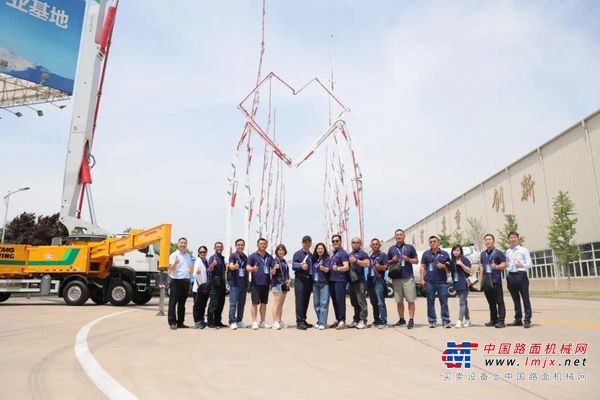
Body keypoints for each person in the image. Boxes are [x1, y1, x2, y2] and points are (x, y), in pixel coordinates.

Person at [387, 229, 419, 329]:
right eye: (397, 235)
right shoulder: (391, 249)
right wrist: (392, 260)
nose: (399, 236)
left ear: (404, 236)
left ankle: (411, 320)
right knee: (399, 301)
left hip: (408, 277)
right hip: (396, 278)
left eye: (401, 234)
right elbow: (387, 262)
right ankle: (401, 319)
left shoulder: (410, 248)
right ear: (395, 237)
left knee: (410, 300)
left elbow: (416, 261)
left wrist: (408, 259)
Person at [420, 235, 451, 328]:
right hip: (429, 282)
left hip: (442, 282)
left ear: (438, 242)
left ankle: (445, 320)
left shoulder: (444, 254)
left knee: (444, 301)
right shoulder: (426, 254)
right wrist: (422, 279)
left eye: (434, 241)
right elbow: (422, 267)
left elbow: (449, 268)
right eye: (431, 242)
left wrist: (443, 266)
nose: (433, 243)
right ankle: (432, 321)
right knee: (430, 301)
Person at [505, 231, 533, 328]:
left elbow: (530, 263)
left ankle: (527, 319)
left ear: (518, 238)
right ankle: (518, 319)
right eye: (511, 237)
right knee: (515, 299)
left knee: (525, 298)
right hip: (511, 275)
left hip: (521, 275)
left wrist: (522, 265)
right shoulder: (508, 251)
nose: (513, 239)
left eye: (514, 237)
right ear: (508, 239)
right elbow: (507, 263)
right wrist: (508, 269)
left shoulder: (523, 250)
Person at [479, 234, 507, 328]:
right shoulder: (483, 254)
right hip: (486, 281)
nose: (488, 241)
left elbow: (504, 264)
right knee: (491, 302)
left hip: (495, 281)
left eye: (489, 239)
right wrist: (481, 279)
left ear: (493, 241)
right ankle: (493, 320)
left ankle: (501, 321)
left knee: (499, 301)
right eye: (486, 240)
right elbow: (482, 266)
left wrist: (496, 266)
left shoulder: (498, 253)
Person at [247, 238, 273, 329]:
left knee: (264, 303)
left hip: (266, 283)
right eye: (261, 244)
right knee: (255, 303)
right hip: (255, 283)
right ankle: (254, 322)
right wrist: (252, 269)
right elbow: (247, 267)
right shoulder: (252, 256)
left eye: (264, 244)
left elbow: (273, 268)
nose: (263, 245)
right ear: (257, 245)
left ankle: (262, 321)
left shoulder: (269, 257)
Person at [168, 237, 193, 330]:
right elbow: (171, 269)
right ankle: (172, 322)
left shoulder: (188, 256)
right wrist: (175, 263)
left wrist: (190, 282)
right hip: (176, 281)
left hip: (186, 281)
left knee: (182, 304)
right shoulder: (173, 255)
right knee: (173, 303)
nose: (183, 245)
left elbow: (189, 270)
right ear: (178, 244)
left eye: (185, 243)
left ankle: (180, 322)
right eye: (181, 243)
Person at [329, 234, 350, 330]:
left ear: (340, 242)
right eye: (333, 241)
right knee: (335, 301)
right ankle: (338, 319)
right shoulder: (334, 253)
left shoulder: (342, 253)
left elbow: (346, 267)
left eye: (337, 241)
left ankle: (342, 321)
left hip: (340, 281)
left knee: (340, 301)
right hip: (332, 281)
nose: (335, 243)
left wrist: (337, 268)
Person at [292, 235, 314, 330]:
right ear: (302, 243)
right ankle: (299, 322)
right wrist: (301, 266)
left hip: (309, 280)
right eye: (305, 242)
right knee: (300, 301)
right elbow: (293, 266)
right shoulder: (297, 254)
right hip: (300, 279)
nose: (307, 244)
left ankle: (303, 319)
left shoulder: (311, 255)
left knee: (306, 300)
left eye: (309, 242)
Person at [348, 237, 369, 329]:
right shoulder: (349, 254)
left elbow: (367, 264)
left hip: (360, 281)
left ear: (360, 244)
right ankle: (356, 319)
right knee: (354, 302)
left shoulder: (363, 254)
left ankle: (363, 320)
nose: (355, 244)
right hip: (351, 281)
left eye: (357, 242)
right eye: (353, 242)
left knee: (361, 301)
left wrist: (356, 261)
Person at [367, 238, 389, 329]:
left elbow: (386, 267)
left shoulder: (383, 255)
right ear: (371, 246)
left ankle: (383, 319)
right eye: (373, 244)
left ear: (379, 245)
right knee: (373, 301)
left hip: (378, 280)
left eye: (376, 244)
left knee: (380, 301)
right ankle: (376, 319)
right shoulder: (370, 256)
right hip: (370, 280)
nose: (375, 245)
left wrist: (379, 266)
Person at [448, 245, 472, 328]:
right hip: (456, 283)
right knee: (464, 302)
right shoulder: (452, 261)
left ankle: (459, 321)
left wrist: (461, 264)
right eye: (454, 250)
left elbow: (469, 270)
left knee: (462, 302)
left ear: (461, 251)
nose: (456, 252)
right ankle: (468, 320)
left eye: (457, 250)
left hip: (464, 283)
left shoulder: (464, 259)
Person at [227, 239, 248, 330]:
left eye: (242, 245)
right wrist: (234, 267)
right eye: (238, 245)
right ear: (236, 246)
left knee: (242, 304)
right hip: (235, 284)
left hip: (243, 284)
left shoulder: (245, 257)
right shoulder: (233, 256)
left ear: (244, 246)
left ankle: (239, 321)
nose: (240, 246)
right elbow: (230, 266)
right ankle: (232, 321)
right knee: (233, 303)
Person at [206, 242, 227, 329]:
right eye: (217, 247)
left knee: (221, 303)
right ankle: (210, 322)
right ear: (214, 248)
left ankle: (218, 321)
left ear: (222, 248)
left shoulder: (222, 258)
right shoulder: (212, 257)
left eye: (220, 247)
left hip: (222, 283)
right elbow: (209, 269)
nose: (219, 248)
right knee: (213, 304)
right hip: (215, 284)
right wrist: (213, 265)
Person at [271, 244, 291, 330]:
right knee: (276, 303)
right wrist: (274, 268)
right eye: (279, 250)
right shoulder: (274, 260)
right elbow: (272, 273)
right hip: (277, 283)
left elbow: (286, 273)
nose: (281, 251)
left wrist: (289, 279)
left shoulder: (284, 261)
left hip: (284, 284)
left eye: (282, 250)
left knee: (281, 304)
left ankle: (279, 320)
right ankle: (275, 322)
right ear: (277, 251)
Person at [312, 242, 331, 330]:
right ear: (316, 250)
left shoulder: (327, 259)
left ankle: (323, 323)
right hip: (315, 283)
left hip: (324, 283)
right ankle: (320, 321)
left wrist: (324, 269)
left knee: (324, 304)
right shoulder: (315, 259)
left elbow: (328, 269)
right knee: (316, 304)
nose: (320, 250)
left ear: (324, 250)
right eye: (318, 249)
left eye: (321, 249)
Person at [192, 245, 210, 329]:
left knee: (203, 305)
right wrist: (197, 271)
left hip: (205, 288)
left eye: (204, 252)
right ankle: (197, 322)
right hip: (198, 288)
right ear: (198, 253)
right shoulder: (197, 261)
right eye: (200, 252)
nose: (202, 253)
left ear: (206, 252)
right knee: (197, 306)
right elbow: (195, 270)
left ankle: (202, 320)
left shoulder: (206, 261)